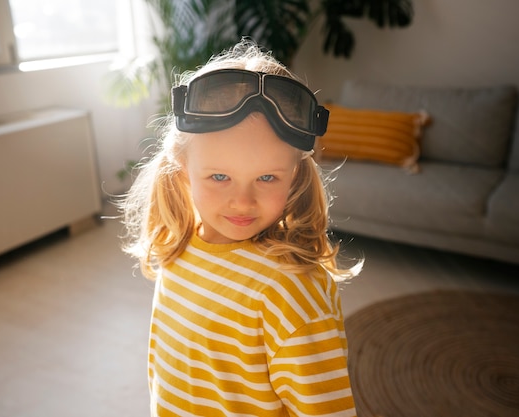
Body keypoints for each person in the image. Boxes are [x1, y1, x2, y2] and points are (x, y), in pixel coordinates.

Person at [120, 39, 361, 416]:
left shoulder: (292, 293)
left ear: (295, 174)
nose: (243, 202)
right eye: (219, 176)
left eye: (267, 177)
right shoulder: (179, 246)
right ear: (183, 168)